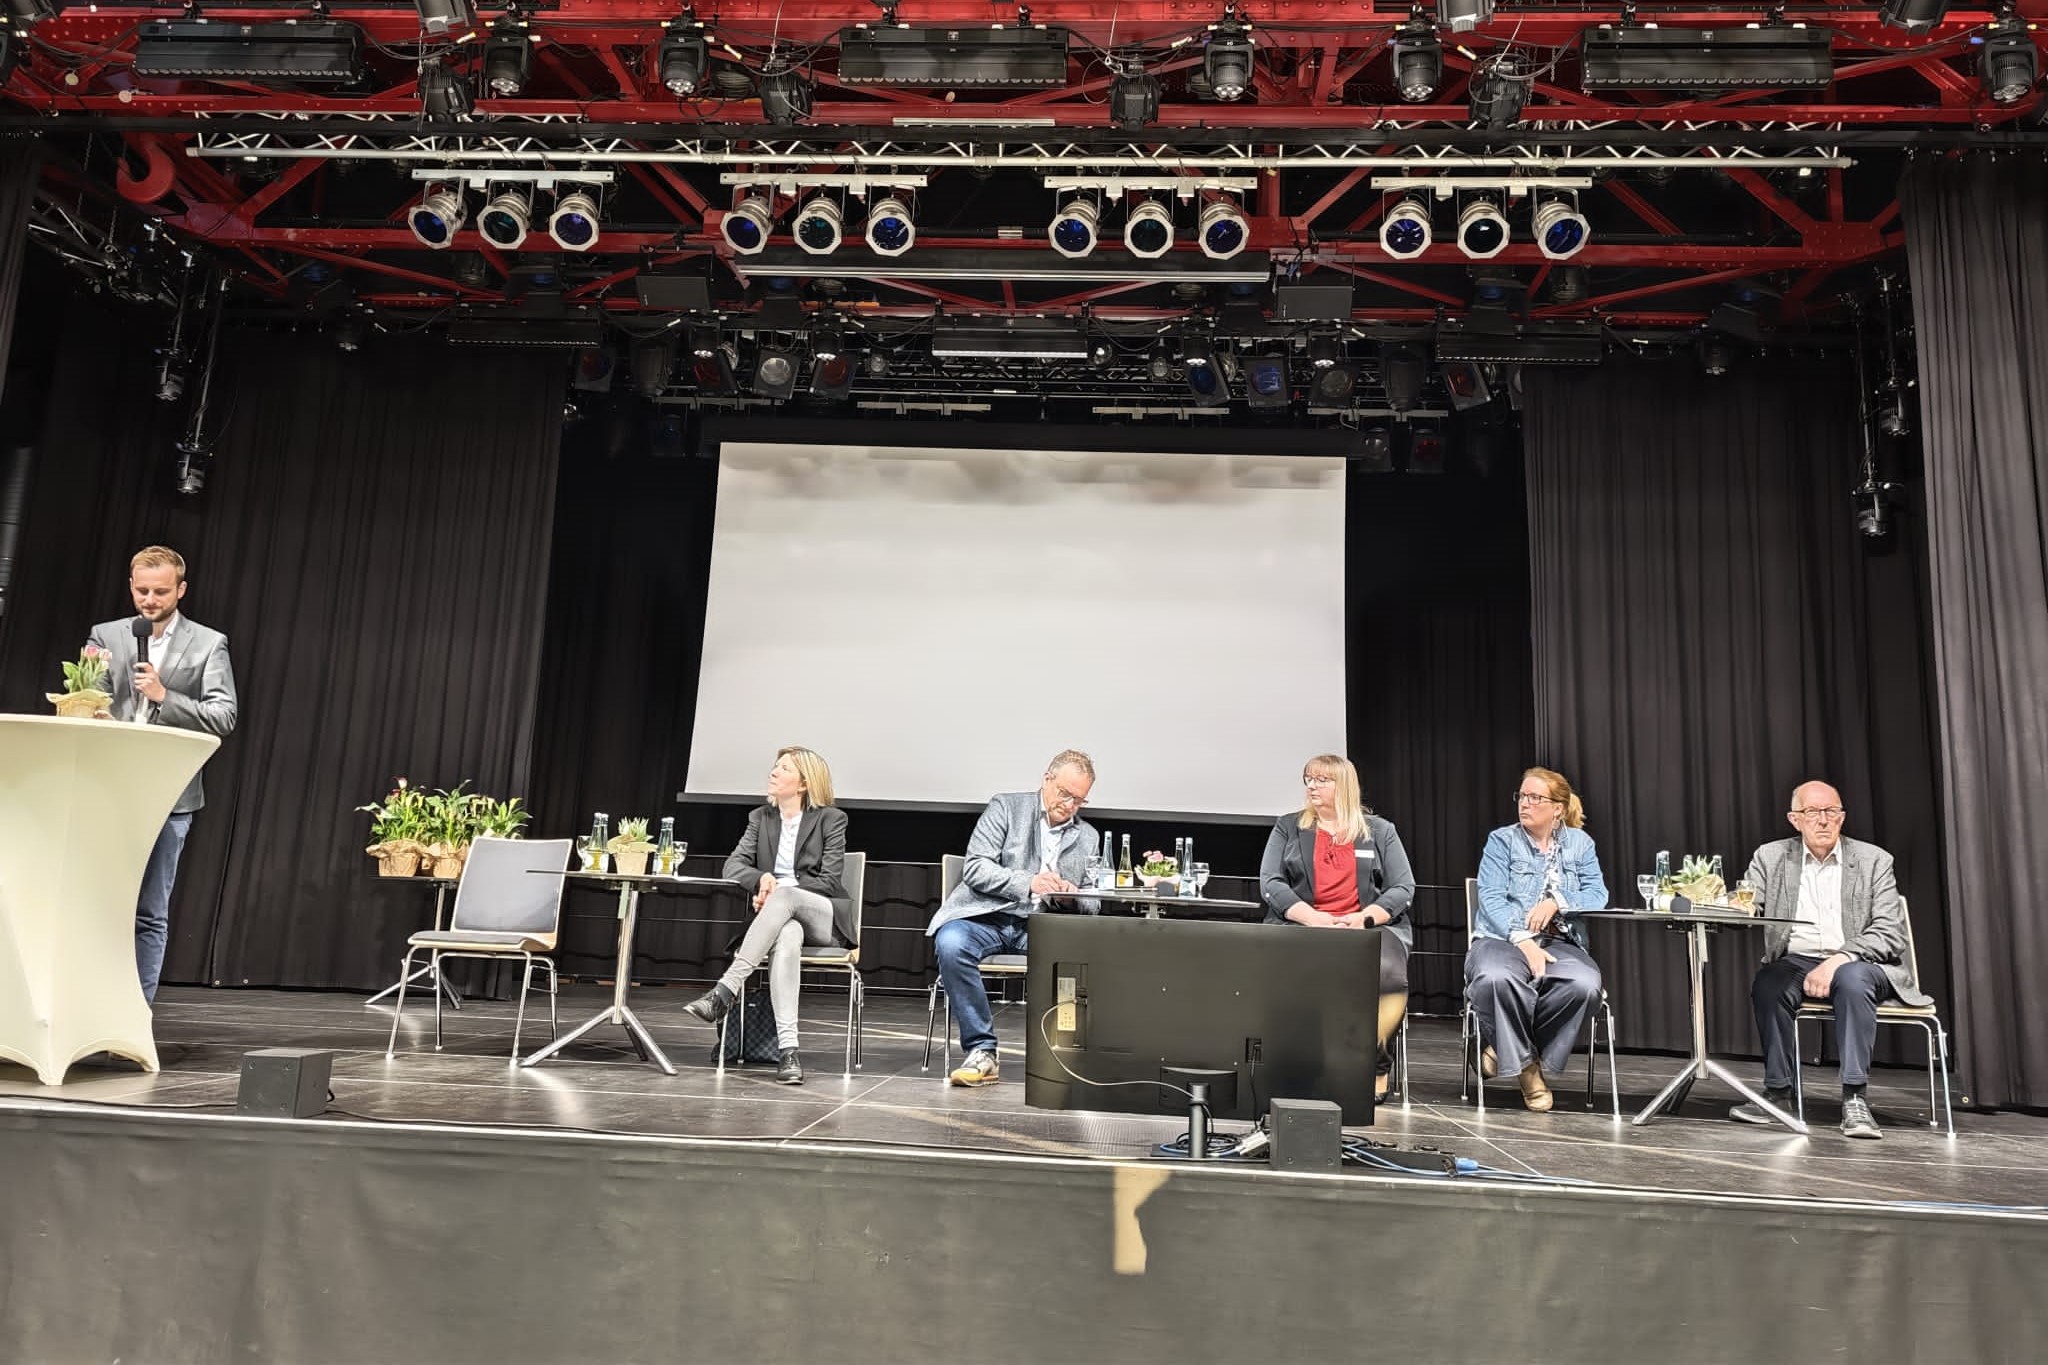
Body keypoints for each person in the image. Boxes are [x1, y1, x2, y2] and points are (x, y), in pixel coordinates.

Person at [1729, 781, 1930, 1140]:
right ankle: (1779, 1092)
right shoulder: (1771, 857)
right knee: (1769, 983)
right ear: (1795, 819)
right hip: (1798, 959)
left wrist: (1841, 958)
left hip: (1863, 961)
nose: (1823, 820)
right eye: (1813, 812)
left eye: (1831, 811)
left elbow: (1890, 932)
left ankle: (1855, 1097)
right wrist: (1724, 902)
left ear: (1842, 816)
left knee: (1852, 980)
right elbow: (1747, 901)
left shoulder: (1874, 860)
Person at [85, 546, 239, 1005]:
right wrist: (95, 712)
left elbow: (224, 715)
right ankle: (89, 1006)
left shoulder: (209, 643)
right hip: (109, 790)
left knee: (150, 912)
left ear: (181, 590)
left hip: (171, 799)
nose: (150, 600)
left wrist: (163, 694)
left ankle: (136, 1014)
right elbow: (87, 695)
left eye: (161, 591)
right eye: (143, 590)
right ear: (131, 586)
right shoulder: (105, 634)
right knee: (98, 905)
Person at [927, 750, 1100, 1088]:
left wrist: (1072, 895)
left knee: (1076, 960)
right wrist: (1029, 882)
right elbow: (976, 867)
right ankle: (982, 1051)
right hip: (985, 915)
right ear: (1046, 779)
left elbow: (1094, 902)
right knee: (950, 943)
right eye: (1065, 794)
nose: (1070, 805)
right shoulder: (1006, 807)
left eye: (1079, 800)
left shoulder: (1089, 836)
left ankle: (1064, 1055)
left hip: (1040, 924)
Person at [684, 746, 854, 1086]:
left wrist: (781, 894)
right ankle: (789, 1052)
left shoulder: (831, 819)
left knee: (788, 896)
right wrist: (760, 879)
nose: (773, 772)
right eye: (774, 766)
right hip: (782, 918)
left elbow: (830, 879)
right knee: (787, 934)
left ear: (804, 783)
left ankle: (726, 989)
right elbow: (733, 865)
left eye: (784, 768)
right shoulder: (761, 818)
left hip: (823, 915)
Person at [1259, 754, 1417, 1100]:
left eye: (1321, 780)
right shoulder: (1289, 826)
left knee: (1387, 975)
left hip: (1367, 927)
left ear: (1343, 785)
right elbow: (1270, 882)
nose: (1312, 786)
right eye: (1308, 779)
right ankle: (1298, 1062)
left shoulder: (1380, 831)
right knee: (1289, 974)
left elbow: (1403, 888)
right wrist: (1312, 917)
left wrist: (1364, 919)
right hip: (1306, 925)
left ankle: (1375, 1062)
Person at [1469, 766, 1609, 1112]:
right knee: (1496, 977)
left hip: (1560, 941)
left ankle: (1504, 1047)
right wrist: (1523, 941)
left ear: (1557, 808)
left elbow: (1598, 894)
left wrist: (1558, 901)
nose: (1525, 804)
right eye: (1522, 796)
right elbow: (1490, 897)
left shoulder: (1580, 843)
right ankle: (1528, 1071)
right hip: (1502, 937)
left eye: (1535, 798)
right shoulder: (1502, 840)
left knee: (1584, 984)